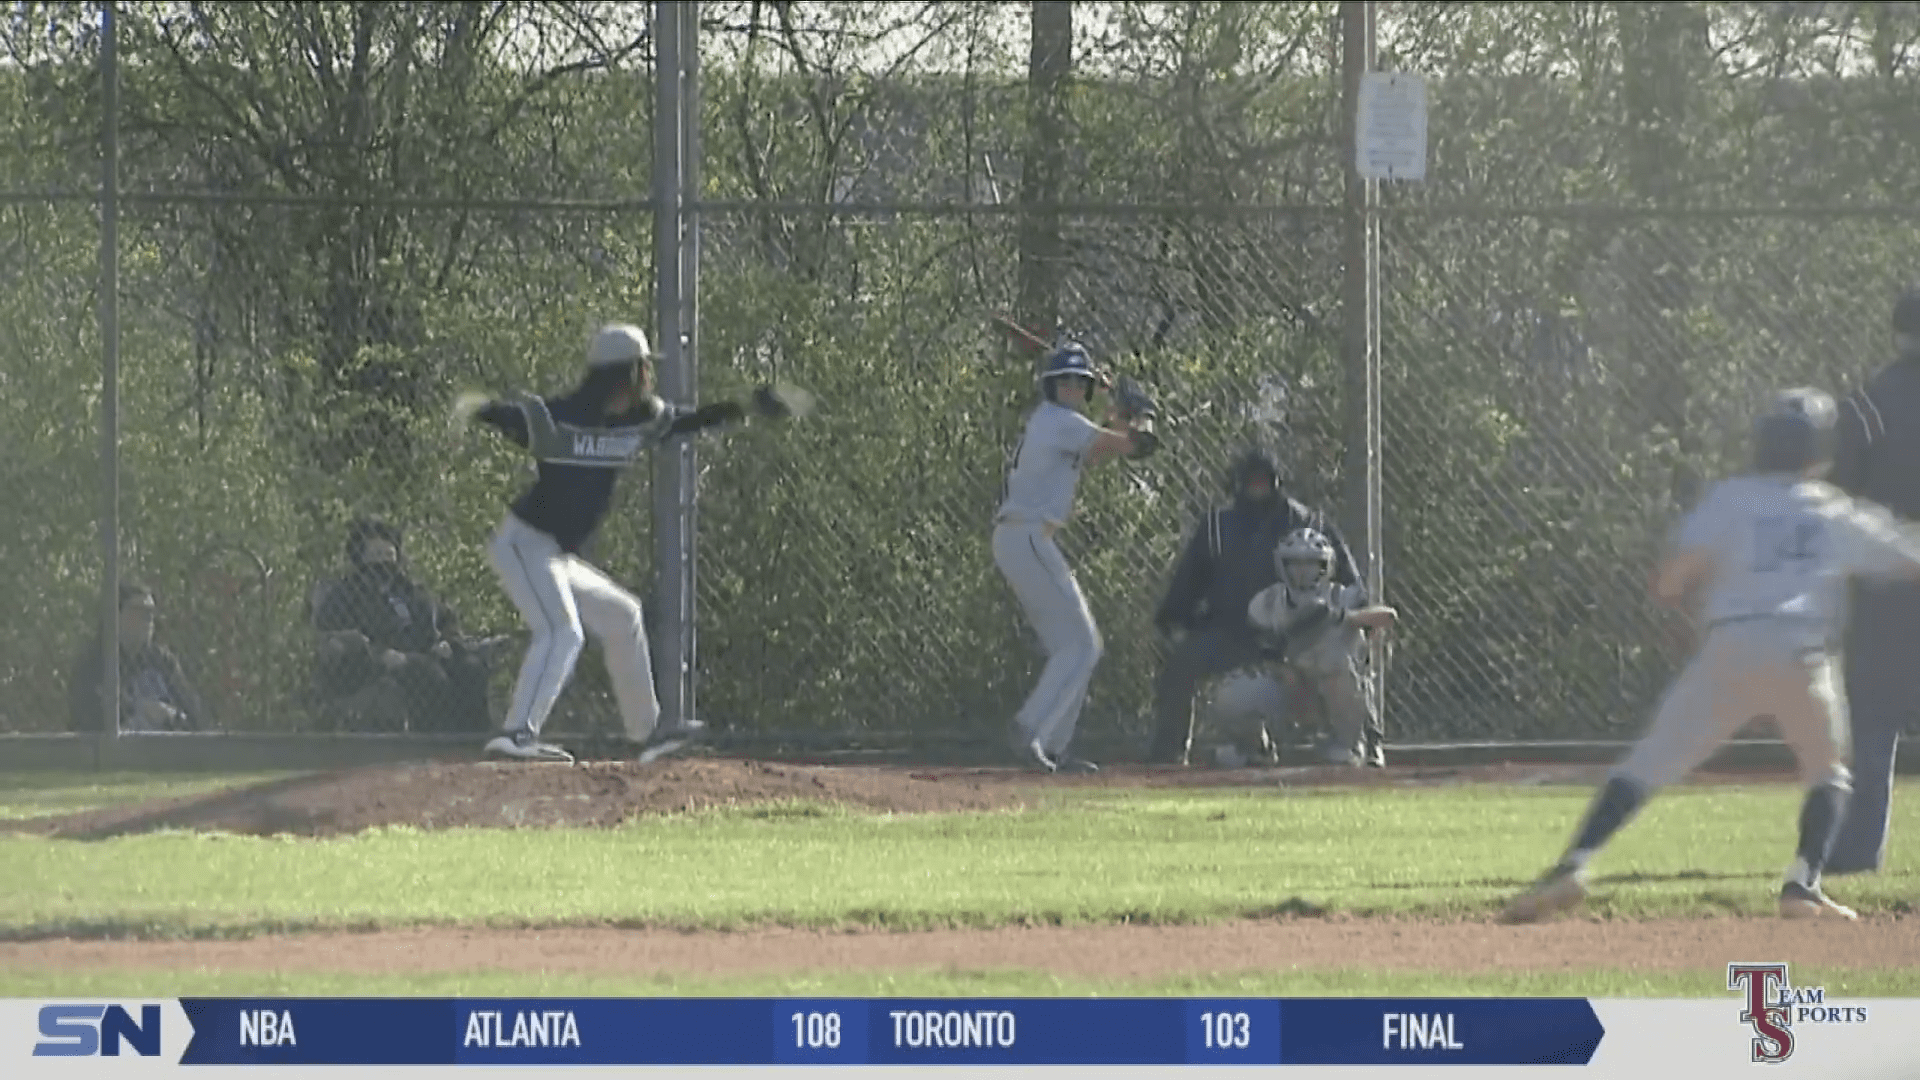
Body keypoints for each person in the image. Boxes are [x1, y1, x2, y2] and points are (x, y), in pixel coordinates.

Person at [1500, 387, 1920, 925]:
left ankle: (1574, 863)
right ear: (1820, 448)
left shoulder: (1731, 498)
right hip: (1802, 652)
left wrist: (1684, 612)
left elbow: (1670, 582)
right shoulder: (1833, 512)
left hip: (1732, 646)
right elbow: (1905, 557)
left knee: (1649, 762)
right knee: (1828, 772)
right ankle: (1802, 885)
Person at [456, 323, 743, 763]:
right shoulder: (562, 416)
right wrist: (475, 407)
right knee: (561, 631)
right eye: (643, 368)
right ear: (626, 374)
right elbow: (514, 417)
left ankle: (647, 737)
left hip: (555, 555)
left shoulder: (638, 421)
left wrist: (745, 406)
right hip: (524, 543)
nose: (649, 376)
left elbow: (687, 420)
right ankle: (516, 734)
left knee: (623, 615)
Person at [1148, 448, 1379, 766]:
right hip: (1235, 636)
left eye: (1264, 481)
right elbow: (1184, 591)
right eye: (1250, 481)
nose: (1257, 488)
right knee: (1186, 665)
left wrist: (1349, 627)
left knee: (1342, 654)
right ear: (1236, 484)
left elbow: (1354, 591)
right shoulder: (1217, 526)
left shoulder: (1309, 523)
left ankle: (1362, 737)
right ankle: (1180, 752)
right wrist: (1175, 624)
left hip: (1303, 639)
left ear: (1278, 481)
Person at [994, 341, 1158, 774]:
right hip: (1026, 535)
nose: (1071, 387)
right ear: (1052, 386)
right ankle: (1030, 730)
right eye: (1064, 381)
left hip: (1024, 539)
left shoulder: (1058, 423)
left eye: (1078, 382)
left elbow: (1102, 451)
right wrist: (1136, 413)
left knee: (1076, 646)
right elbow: (1137, 446)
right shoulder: (1060, 421)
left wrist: (1115, 411)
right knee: (1082, 644)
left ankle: (1052, 746)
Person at [1824, 286, 1920, 875]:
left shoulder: (1865, 403)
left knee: (1874, 720)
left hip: (1885, 586)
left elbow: (1839, 503)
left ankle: (1861, 855)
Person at [312, 517, 509, 734]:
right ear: (360, 559)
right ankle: (430, 746)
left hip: (427, 652)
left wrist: (448, 641)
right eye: (376, 556)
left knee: (471, 668)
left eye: (389, 555)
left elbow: (445, 618)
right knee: (429, 675)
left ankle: (474, 744)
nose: (384, 563)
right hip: (385, 661)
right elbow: (335, 632)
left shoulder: (410, 590)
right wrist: (379, 653)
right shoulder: (346, 594)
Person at [1244, 527, 1398, 765]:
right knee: (1237, 690)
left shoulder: (1341, 596)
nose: (1303, 570)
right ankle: (1256, 746)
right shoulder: (1267, 601)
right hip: (1292, 682)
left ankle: (1350, 742)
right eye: (1295, 563)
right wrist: (1285, 670)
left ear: (1326, 566)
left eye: (1311, 563)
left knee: (1335, 667)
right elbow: (1258, 650)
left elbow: (1388, 616)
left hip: (1332, 683)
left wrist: (1340, 617)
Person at [67, 581, 208, 733]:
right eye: (139, 610)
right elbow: (89, 713)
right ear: (116, 615)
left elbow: (195, 712)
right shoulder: (94, 661)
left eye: (151, 612)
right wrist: (141, 708)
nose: (149, 618)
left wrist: (171, 716)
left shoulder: (162, 660)